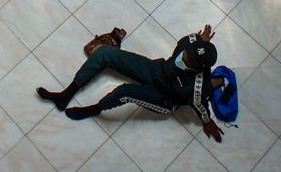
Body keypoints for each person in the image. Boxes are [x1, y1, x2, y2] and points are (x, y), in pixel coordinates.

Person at [37, 23, 226, 142]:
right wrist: (203, 42)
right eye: (184, 53)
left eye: (186, 61)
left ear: (196, 69)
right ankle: (65, 95)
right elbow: (192, 44)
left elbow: (201, 106)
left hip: (165, 98)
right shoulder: (191, 42)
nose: (182, 57)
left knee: (124, 92)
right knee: (104, 53)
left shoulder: (198, 87)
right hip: (157, 71)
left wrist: (207, 122)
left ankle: (95, 109)